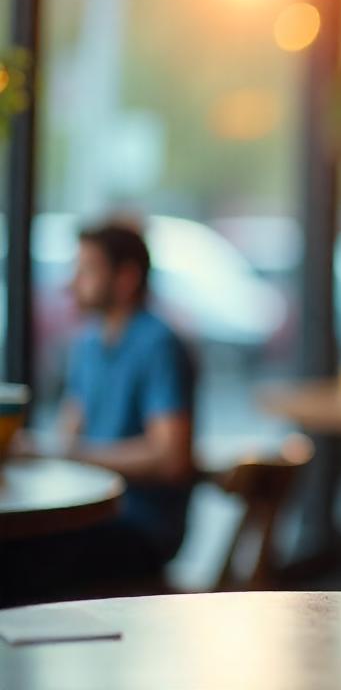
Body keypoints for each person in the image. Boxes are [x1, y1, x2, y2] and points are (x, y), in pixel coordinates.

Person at [2, 222, 194, 605]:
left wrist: (64, 452)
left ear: (125, 278)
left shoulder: (159, 344)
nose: (71, 284)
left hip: (140, 527)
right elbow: (68, 434)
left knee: (12, 563)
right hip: (91, 519)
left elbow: (170, 458)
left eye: (86, 270)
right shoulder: (86, 344)